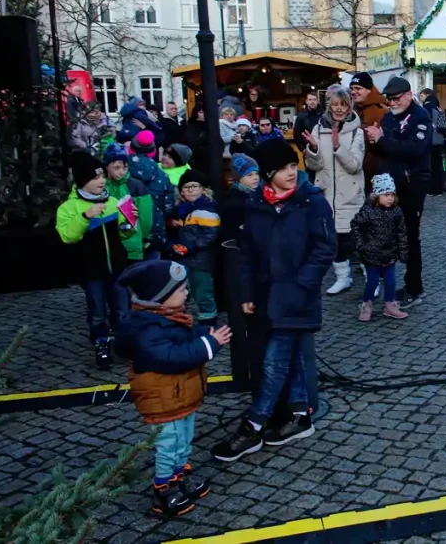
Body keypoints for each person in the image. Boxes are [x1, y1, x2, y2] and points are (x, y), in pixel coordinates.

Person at [212, 138, 336, 462]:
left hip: (298, 296)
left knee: (274, 360)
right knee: (289, 354)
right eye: (283, 168)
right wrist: (248, 294)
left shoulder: (312, 202)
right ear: (268, 173)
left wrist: (302, 285)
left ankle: (253, 425)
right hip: (268, 296)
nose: (291, 172)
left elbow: (325, 249)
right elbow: (249, 254)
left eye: (293, 165)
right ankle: (299, 415)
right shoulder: (256, 205)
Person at [115, 260, 232, 517]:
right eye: (181, 290)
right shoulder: (146, 330)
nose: (187, 293)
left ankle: (179, 478)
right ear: (160, 297)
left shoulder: (167, 318)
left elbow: (184, 337)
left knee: (184, 440)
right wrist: (209, 344)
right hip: (165, 400)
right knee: (170, 444)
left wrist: (205, 333)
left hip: (179, 396)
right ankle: (163, 490)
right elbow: (172, 356)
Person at [56, 151, 131, 368]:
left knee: (122, 309)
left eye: (102, 177)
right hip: (91, 271)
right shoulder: (68, 208)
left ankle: (124, 344)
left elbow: (124, 234)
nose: (101, 181)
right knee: (97, 312)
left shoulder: (113, 201)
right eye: (95, 178)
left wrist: (128, 223)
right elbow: (68, 236)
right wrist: (85, 216)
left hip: (117, 268)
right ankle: (101, 345)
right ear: (82, 181)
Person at [367, 77, 431, 308]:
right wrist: (375, 139)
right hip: (390, 184)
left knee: (410, 238)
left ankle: (414, 287)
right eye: (389, 99)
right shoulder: (389, 117)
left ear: (407, 94)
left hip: (411, 185)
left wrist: (384, 140)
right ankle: (386, 280)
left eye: (395, 98)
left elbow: (415, 148)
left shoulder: (420, 116)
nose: (391, 103)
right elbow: (384, 149)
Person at [303, 85, 365, 296]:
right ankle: (342, 278)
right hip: (327, 193)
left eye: (343, 105)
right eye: (335, 105)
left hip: (351, 194)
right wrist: (313, 149)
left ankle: (371, 278)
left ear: (349, 107)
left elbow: (355, 165)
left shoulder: (357, 131)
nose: (339, 109)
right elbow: (314, 166)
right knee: (334, 239)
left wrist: (338, 146)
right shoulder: (318, 129)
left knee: (356, 240)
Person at [351, 174, 409, 321]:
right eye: (385, 195)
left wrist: (403, 252)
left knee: (391, 282)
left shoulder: (397, 212)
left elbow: (402, 233)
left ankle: (389, 305)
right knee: (372, 282)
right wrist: (361, 245)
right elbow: (356, 225)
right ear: (377, 195)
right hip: (371, 254)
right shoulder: (368, 211)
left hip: (389, 254)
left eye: (391, 195)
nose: (389, 198)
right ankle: (367, 304)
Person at [170, 170, 220, 326]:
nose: (190, 190)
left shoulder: (205, 209)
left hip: (201, 261)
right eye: (186, 187)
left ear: (203, 189)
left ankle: (208, 329)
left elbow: (210, 236)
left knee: (203, 294)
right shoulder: (183, 209)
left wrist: (189, 247)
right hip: (186, 258)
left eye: (194, 186)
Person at [128, 129, 175, 256]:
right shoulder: (163, 176)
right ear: (153, 152)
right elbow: (168, 208)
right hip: (155, 233)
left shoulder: (118, 173)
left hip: (126, 232)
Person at [104, 142, 153, 262]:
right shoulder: (101, 186)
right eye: (116, 168)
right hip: (109, 244)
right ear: (106, 167)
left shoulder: (136, 186)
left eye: (125, 167)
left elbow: (146, 217)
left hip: (133, 243)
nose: (121, 172)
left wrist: (144, 238)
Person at [350, 72, 388, 193]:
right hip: (355, 169)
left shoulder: (380, 111)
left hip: (373, 172)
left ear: (369, 90)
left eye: (358, 88)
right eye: (352, 88)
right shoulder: (354, 110)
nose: (353, 92)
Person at [220, 154, 259, 247]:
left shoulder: (258, 195)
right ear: (238, 178)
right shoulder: (232, 202)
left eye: (257, 173)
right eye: (250, 175)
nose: (255, 177)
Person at [418, 89, 446, 196]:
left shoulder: (426, 108)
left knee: (429, 166)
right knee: (438, 166)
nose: (420, 98)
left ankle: (430, 189)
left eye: (421, 95)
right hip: (438, 141)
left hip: (429, 141)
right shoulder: (438, 108)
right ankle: (439, 189)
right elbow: (442, 127)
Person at [292, 91, 324, 159]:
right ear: (306, 101)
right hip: (308, 150)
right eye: (310, 99)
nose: (312, 102)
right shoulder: (301, 116)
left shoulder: (323, 115)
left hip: (323, 149)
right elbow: (296, 135)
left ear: (317, 101)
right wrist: (302, 149)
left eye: (314, 99)